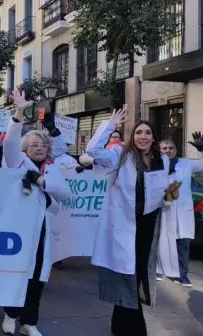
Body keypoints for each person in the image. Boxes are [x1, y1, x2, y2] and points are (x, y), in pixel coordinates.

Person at [85, 107, 173, 336]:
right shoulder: (120, 155)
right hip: (125, 226)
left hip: (149, 227)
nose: (142, 136)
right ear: (132, 136)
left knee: (137, 273)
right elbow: (92, 150)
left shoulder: (162, 159)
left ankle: (118, 322)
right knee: (128, 274)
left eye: (147, 133)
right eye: (138, 133)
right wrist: (110, 124)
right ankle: (135, 328)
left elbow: (163, 190)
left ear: (153, 137)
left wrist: (170, 194)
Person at [0, 89, 70, 336]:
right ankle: (10, 314)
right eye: (34, 144)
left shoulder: (52, 168)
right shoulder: (17, 161)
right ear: (25, 148)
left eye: (43, 145)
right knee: (18, 274)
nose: (39, 148)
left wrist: (42, 184)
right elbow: (8, 143)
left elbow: (64, 194)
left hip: (43, 231)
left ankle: (29, 322)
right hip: (20, 230)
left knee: (38, 279)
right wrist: (19, 113)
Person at [157, 136, 203, 287]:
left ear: (176, 150)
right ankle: (159, 271)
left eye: (171, 148)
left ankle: (182, 275)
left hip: (183, 211)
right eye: (164, 148)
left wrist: (201, 149)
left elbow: (202, 165)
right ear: (159, 150)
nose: (168, 151)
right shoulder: (155, 164)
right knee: (162, 241)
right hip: (164, 210)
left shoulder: (186, 164)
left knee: (183, 243)